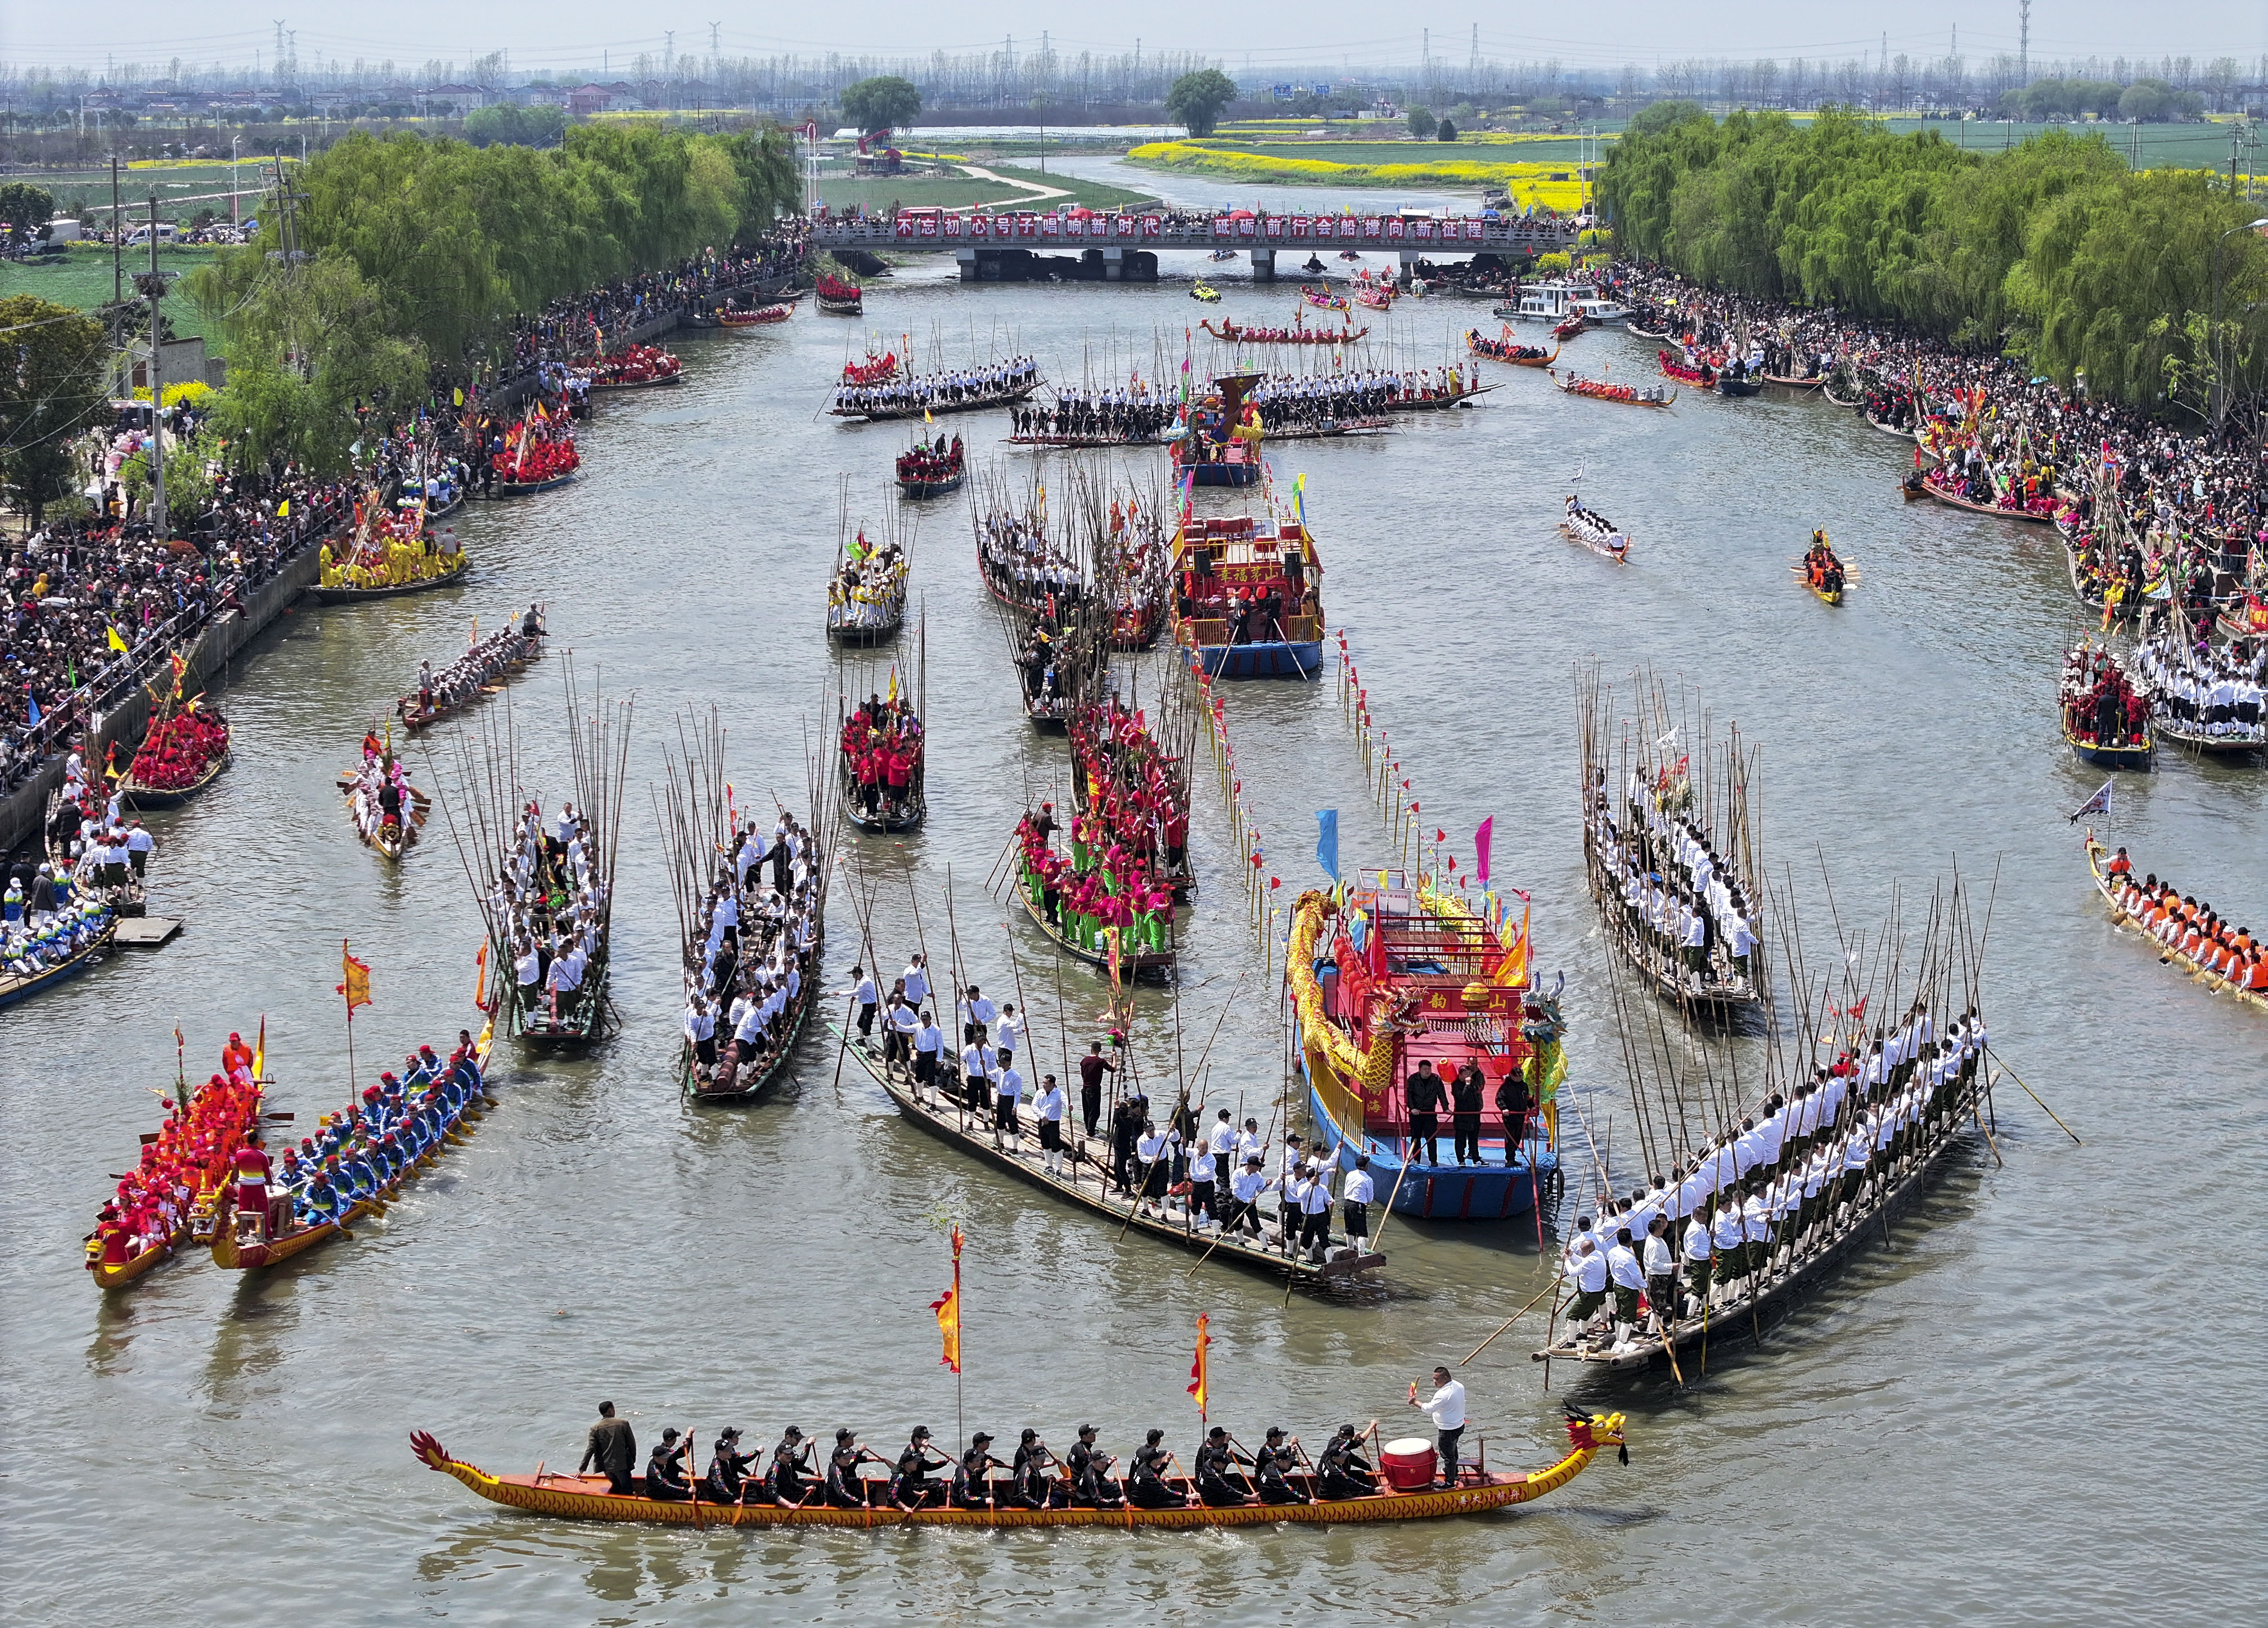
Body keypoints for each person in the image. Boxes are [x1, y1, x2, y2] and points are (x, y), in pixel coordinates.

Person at [1410, 1365, 1468, 1489]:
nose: (1434, 1382)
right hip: (1459, 1425)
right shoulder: (1459, 1386)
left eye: (1437, 1379)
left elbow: (1429, 1409)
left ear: (1446, 1378)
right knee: (1453, 1450)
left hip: (1448, 1429)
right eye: (1434, 1379)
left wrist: (1415, 1402)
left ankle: (1450, 1482)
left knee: (1447, 1456)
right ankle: (1455, 1474)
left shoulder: (1442, 1394)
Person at [579, 1401, 637, 1496]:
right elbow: (632, 1445)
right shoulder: (623, 1424)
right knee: (627, 1490)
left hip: (606, 1467)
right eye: (614, 1409)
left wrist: (583, 1467)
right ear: (610, 1410)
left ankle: (611, 1505)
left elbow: (591, 1449)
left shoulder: (595, 1428)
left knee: (616, 1486)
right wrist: (632, 1460)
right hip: (622, 1465)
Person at [1192, 1426, 1254, 1506]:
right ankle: (1249, 1502)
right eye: (1223, 1438)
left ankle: (1252, 1499)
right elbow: (1224, 1457)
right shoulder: (1207, 1450)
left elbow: (1230, 1457)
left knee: (1238, 1477)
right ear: (1221, 1439)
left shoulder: (1217, 1449)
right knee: (1238, 1489)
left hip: (1214, 1479)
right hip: (1208, 1486)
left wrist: (1253, 1464)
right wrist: (1226, 1443)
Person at [1317, 1423, 1377, 1500]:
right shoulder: (1336, 1469)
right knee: (1350, 1488)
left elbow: (1355, 1460)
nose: (1344, 1458)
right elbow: (1350, 1482)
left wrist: (1371, 1468)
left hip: (1329, 1481)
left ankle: (1368, 1494)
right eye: (1342, 1457)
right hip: (1331, 1491)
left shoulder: (1332, 1454)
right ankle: (1370, 1497)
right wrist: (1373, 1490)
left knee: (1360, 1474)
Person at [1066, 1424, 1122, 1508]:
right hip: (1084, 1484)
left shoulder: (1075, 1447)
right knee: (1116, 1489)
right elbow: (1094, 1472)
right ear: (1085, 1437)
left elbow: (1069, 1462)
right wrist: (1106, 1479)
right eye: (1092, 1434)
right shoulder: (1085, 1453)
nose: (1094, 1435)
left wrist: (1109, 1463)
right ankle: (1116, 1512)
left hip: (1079, 1480)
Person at [1126, 1428, 1182, 1508]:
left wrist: (1166, 1462)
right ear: (1158, 1441)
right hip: (1143, 1494)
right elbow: (1151, 1476)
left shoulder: (1141, 1449)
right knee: (1178, 1500)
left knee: (1178, 1489)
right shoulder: (1147, 1457)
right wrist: (1164, 1484)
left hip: (1137, 1486)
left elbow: (1152, 1474)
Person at [826, 1428, 881, 1508]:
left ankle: (873, 1506)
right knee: (862, 1497)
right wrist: (859, 1452)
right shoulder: (837, 1460)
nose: (853, 1439)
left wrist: (876, 1459)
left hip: (847, 1482)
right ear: (842, 1442)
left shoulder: (846, 1452)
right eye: (850, 1438)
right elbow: (853, 1462)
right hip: (839, 1493)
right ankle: (870, 1508)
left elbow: (855, 1459)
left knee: (871, 1488)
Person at [1254, 1427, 1309, 1504]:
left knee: (1295, 1486)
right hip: (1267, 1484)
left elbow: (1283, 1458)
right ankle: (1309, 1505)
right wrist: (1290, 1445)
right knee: (1294, 1490)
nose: (1283, 1439)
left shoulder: (1273, 1458)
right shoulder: (1266, 1450)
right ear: (1273, 1439)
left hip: (1271, 1481)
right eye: (1280, 1437)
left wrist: (1300, 1463)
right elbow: (1280, 1458)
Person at [1405, 1060, 1446, 1166]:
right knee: (1415, 1137)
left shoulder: (1436, 1079)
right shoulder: (1413, 1079)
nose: (1427, 1071)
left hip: (1430, 1112)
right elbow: (1408, 1095)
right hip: (1416, 1113)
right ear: (1420, 1070)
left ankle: (1433, 1160)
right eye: (1425, 1069)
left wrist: (1446, 1108)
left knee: (1431, 1137)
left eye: (1429, 1069)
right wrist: (1412, 1108)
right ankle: (1416, 1159)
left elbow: (1442, 1094)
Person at [952, 1432, 1006, 1509]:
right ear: (970, 1463)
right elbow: (965, 1498)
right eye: (978, 1460)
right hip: (963, 1502)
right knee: (998, 1504)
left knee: (996, 1491)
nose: (980, 1461)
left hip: (971, 1492)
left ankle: (1008, 1506)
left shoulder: (967, 1467)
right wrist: (984, 1500)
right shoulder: (965, 1477)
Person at [706, 1428, 755, 1503]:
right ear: (720, 1452)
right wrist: (734, 1500)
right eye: (727, 1450)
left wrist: (739, 1482)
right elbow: (721, 1487)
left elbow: (730, 1477)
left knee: (755, 1489)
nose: (730, 1452)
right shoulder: (716, 1468)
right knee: (755, 1500)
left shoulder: (725, 1460)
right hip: (719, 1497)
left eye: (730, 1449)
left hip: (729, 1491)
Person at [768, 1426, 813, 1507]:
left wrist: (805, 1488)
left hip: (786, 1488)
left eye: (791, 1453)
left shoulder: (786, 1465)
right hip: (778, 1496)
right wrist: (789, 1505)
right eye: (787, 1454)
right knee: (811, 1501)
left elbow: (792, 1480)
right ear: (779, 1454)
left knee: (814, 1491)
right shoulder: (775, 1470)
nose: (790, 1456)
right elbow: (772, 1492)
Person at [1450, 1062, 1485, 1165]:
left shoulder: (1473, 1082)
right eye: (1466, 1074)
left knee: (1474, 1139)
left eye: (1470, 1074)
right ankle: (1461, 1159)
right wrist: (1467, 1085)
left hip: (1474, 1115)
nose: (1468, 1076)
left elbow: (1477, 1096)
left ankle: (1476, 1158)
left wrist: (1478, 1108)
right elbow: (1462, 1097)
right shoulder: (1456, 1084)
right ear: (1460, 1075)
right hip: (1462, 1116)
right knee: (1461, 1139)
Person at [644, 1428, 692, 1501]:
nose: (666, 1459)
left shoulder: (662, 1456)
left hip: (665, 1485)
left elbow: (674, 1454)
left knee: (688, 1486)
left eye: (667, 1457)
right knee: (688, 1495)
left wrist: (682, 1447)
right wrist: (687, 1491)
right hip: (657, 1493)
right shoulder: (655, 1472)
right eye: (664, 1458)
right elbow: (666, 1485)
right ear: (656, 1458)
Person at [1078, 1040, 1114, 1137]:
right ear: (1100, 1050)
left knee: (1087, 1110)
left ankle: (1089, 1128)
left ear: (1091, 1050)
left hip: (1085, 1088)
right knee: (1095, 1112)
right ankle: (1091, 1132)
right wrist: (1114, 1058)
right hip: (1094, 1090)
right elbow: (1113, 1069)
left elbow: (1083, 1074)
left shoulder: (1084, 1060)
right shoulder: (1100, 1061)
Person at [1034, 1073, 1068, 1175]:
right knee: (1045, 1145)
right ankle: (1049, 1166)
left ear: (1052, 1084)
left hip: (1053, 1123)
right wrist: (1042, 1116)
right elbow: (1034, 1106)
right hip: (1043, 1121)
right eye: (1043, 1083)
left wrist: (1069, 1106)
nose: (1044, 1085)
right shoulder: (1040, 1093)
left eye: (1046, 1083)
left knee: (1056, 1146)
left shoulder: (1059, 1093)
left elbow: (1065, 1102)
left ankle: (1059, 1169)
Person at [1342, 1154, 1376, 1253]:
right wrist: (1367, 1202)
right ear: (1366, 1166)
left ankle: (1350, 1250)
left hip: (1347, 1203)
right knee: (1362, 1231)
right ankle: (1361, 1255)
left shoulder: (1350, 1174)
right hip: (1358, 1206)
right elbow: (1370, 1197)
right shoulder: (1368, 1179)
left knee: (1350, 1228)